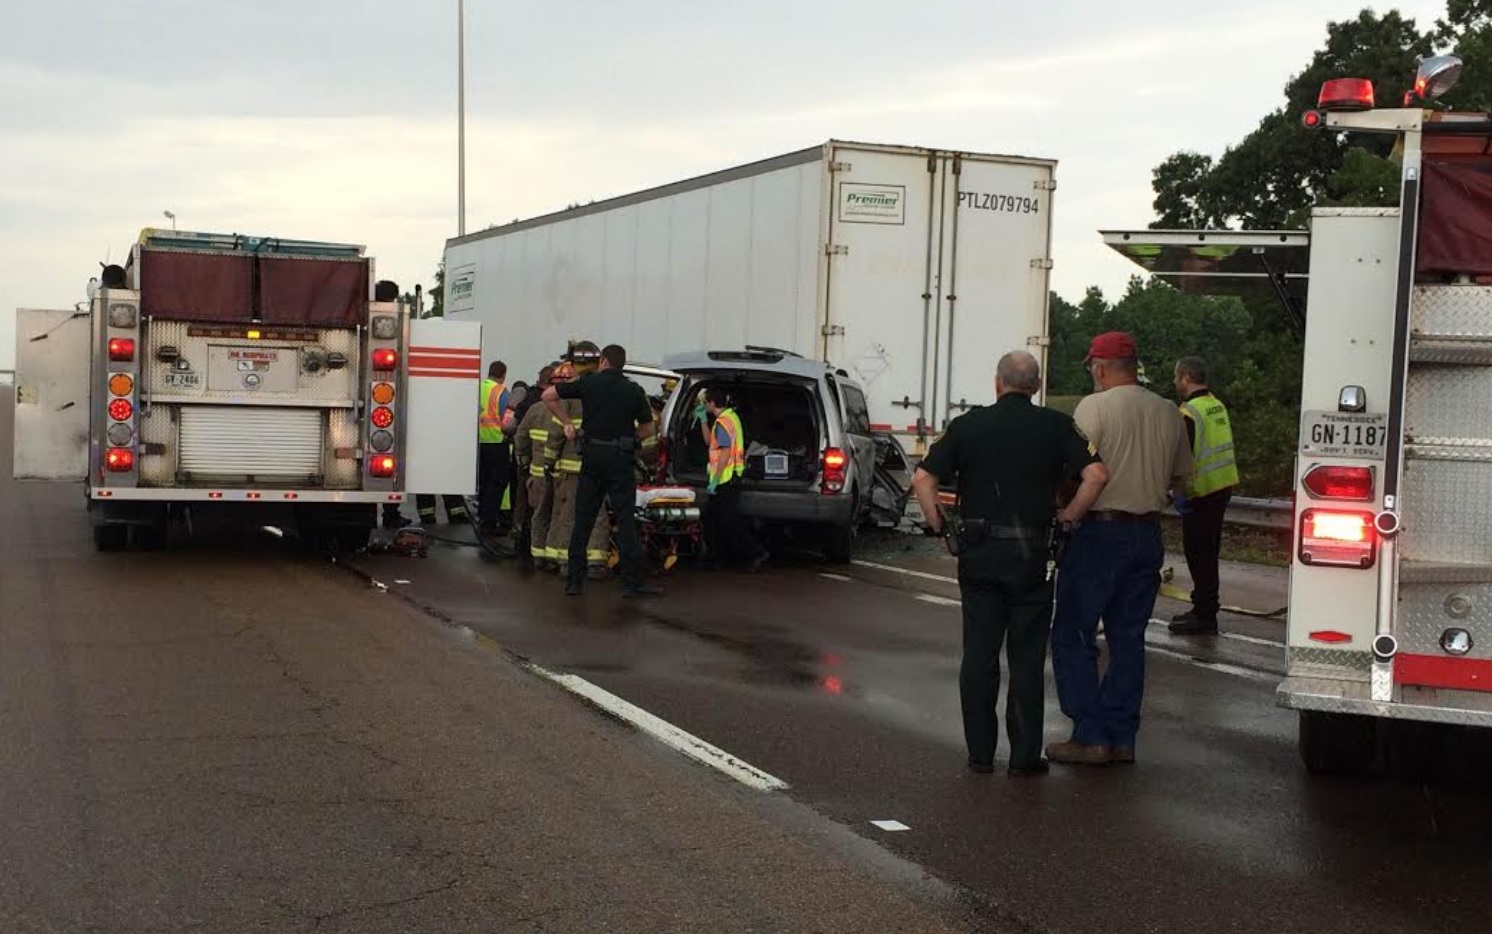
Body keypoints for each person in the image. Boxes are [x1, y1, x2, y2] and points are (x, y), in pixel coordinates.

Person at [911, 351, 1108, 777]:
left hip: (980, 554)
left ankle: (980, 754)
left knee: (979, 656)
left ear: (998, 383)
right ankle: (1023, 757)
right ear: (1035, 386)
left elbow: (922, 479)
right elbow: (1097, 475)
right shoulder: (1056, 425)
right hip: (1033, 557)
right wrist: (1069, 517)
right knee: (1027, 657)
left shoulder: (967, 426)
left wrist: (942, 529)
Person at [1048, 332, 1192, 768]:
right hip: (1146, 535)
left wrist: (1065, 512)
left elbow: (1078, 468)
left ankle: (1090, 735)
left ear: (1100, 367)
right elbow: (1183, 479)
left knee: (1074, 633)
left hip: (1098, 534)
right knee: (1129, 640)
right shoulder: (1170, 411)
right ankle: (1122, 736)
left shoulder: (1094, 407)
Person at [543, 342, 661, 598]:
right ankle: (631, 584)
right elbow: (649, 428)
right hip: (621, 459)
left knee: (583, 519)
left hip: (592, 458)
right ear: (622, 363)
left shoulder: (588, 383)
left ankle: (574, 582)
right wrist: (632, 439)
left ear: (604, 361)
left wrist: (567, 423)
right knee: (626, 521)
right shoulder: (633, 390)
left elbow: (548, 396)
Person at [1169, 356, 1240, 635]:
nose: (1175, 382)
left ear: (1186, 377)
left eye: (1176, 377)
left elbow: (1181, 457)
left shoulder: (1188, 412)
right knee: (1208, 553)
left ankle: (1204, 615)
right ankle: (1204, 608)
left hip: (1200, 493)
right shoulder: (1215, 404)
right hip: (1221, 488)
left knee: (1198, 555)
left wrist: (1176, 490)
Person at [543, 354, 614, 583]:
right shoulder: (608, 390)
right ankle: (596, 563)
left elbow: (556, 435)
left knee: (570, 515)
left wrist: (549, 462)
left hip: (572, 470)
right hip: (602, 465)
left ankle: (566, 562)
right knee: (599, 515)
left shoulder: (569, 394)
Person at [700, 388, 768, 572]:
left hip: (725, 479)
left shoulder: (723, 423)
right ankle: (715, 558)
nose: (703, 405)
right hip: (729, 477)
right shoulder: (731, 418)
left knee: (728, 521)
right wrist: (703, 420)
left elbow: (724, 453)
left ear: (712, 403)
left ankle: (754, 552)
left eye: (705, 402)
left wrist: (714, 481)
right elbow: (709, 442)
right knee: (714, 520)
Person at [511, 366, 557, 567]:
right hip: (561, 474)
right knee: (558, 516)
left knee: (534, 513)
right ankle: (554, 557)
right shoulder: (570, 406)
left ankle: (532, 552)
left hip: (533, 471)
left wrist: (522, 461)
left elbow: (517, 434)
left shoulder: (532, 405)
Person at [477, 361, 513, 535]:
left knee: (483, 482)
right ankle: (489, 523)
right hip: (498, 442)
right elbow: (508, 419)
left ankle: (483, 517)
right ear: (503, 374)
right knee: (497, 484)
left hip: (478, 443)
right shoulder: (501, 391)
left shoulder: (478, 388)